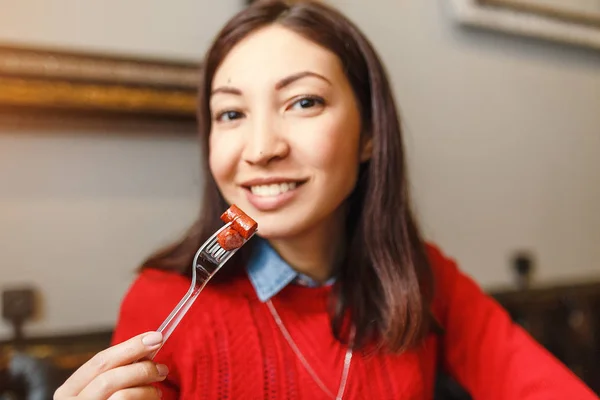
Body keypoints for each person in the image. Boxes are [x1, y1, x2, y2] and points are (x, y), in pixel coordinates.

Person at [54, 1, 598, 399]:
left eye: (304, 101)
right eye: (231, 113)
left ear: (369, 134)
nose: (262, 148)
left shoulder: (421, 277)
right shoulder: (163, 302)